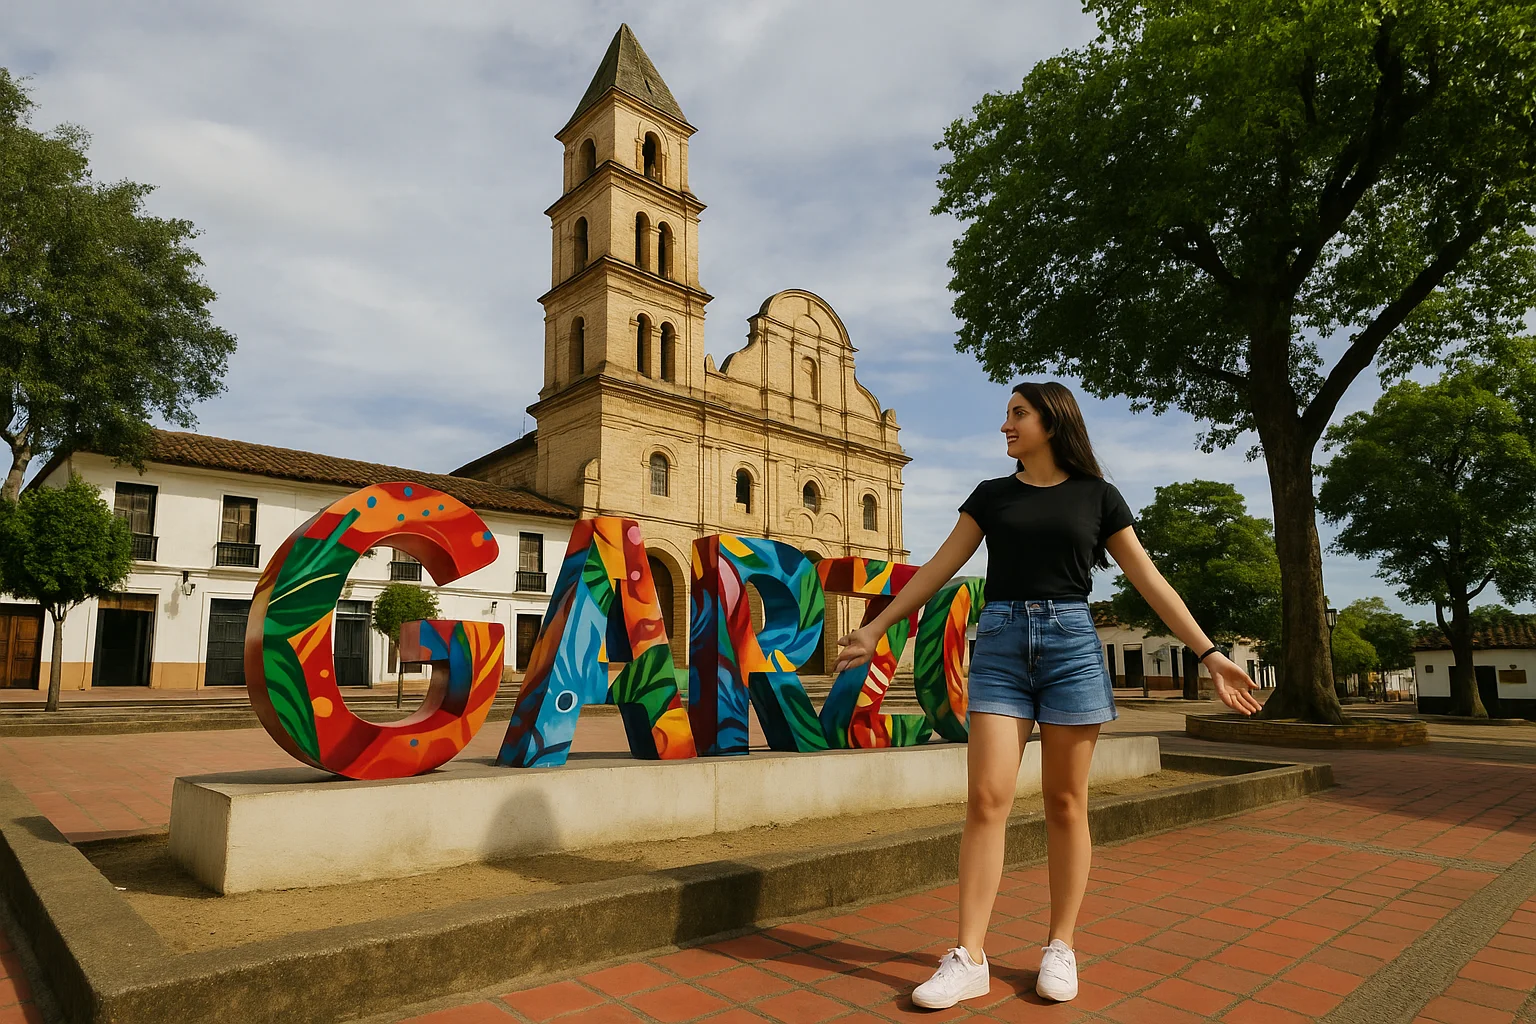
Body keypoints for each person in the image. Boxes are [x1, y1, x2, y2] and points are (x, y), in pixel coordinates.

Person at [832, 381, 1261, 1008]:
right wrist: (876, 626)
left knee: (1066, 801)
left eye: (1017, 414)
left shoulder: (1098, 498)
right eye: (1008, 415)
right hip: (1001, 647)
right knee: (986, 799)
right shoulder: (991, 497)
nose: (1005, 426)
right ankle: (969, 956)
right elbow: (939, 567)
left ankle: (1060, 946)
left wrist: (1211, 654)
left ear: (1051, 422)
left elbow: (1149, 580)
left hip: (1072, 648)